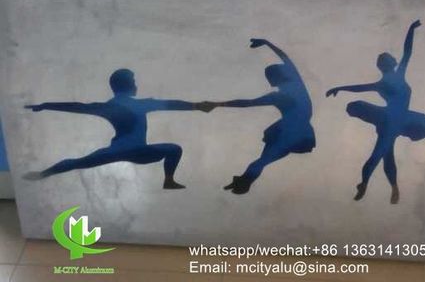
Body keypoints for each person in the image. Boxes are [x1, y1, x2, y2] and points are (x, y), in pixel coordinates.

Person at [24, 68, 213, 189]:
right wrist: (196, 106)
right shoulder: (141, 104)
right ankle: (169, 180)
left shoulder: (107, 107)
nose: (136, 85)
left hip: (115, 151)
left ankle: (43, 174)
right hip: (138, 152)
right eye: (134, 82)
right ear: (129, 85)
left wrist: (46, 105)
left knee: (78, 162)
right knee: (174, 149)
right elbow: (171, 104)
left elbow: (78, 106)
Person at [326, 20, 425, 204]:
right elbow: (406, 53)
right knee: (381, 153)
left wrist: (411, 30)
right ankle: (368, 183)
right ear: (390, 63)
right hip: (395, 120)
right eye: (391, 59)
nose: (395, 60)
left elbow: (407, 52)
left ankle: (383, 185)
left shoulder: (388, 80)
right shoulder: (392, 78)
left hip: (397, 119)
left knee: (385, 153)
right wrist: (339, 88)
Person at [206, 38, 315, 194]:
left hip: (290, 131)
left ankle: (244, 181)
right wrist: (267, 43)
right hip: (291, 129)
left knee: (262, 161)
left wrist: (218, 104)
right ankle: (244, 181)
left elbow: (247, 103)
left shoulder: (282, 94)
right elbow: (284, 57)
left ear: (274, 80)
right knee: (262, 162)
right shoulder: (293, 86)